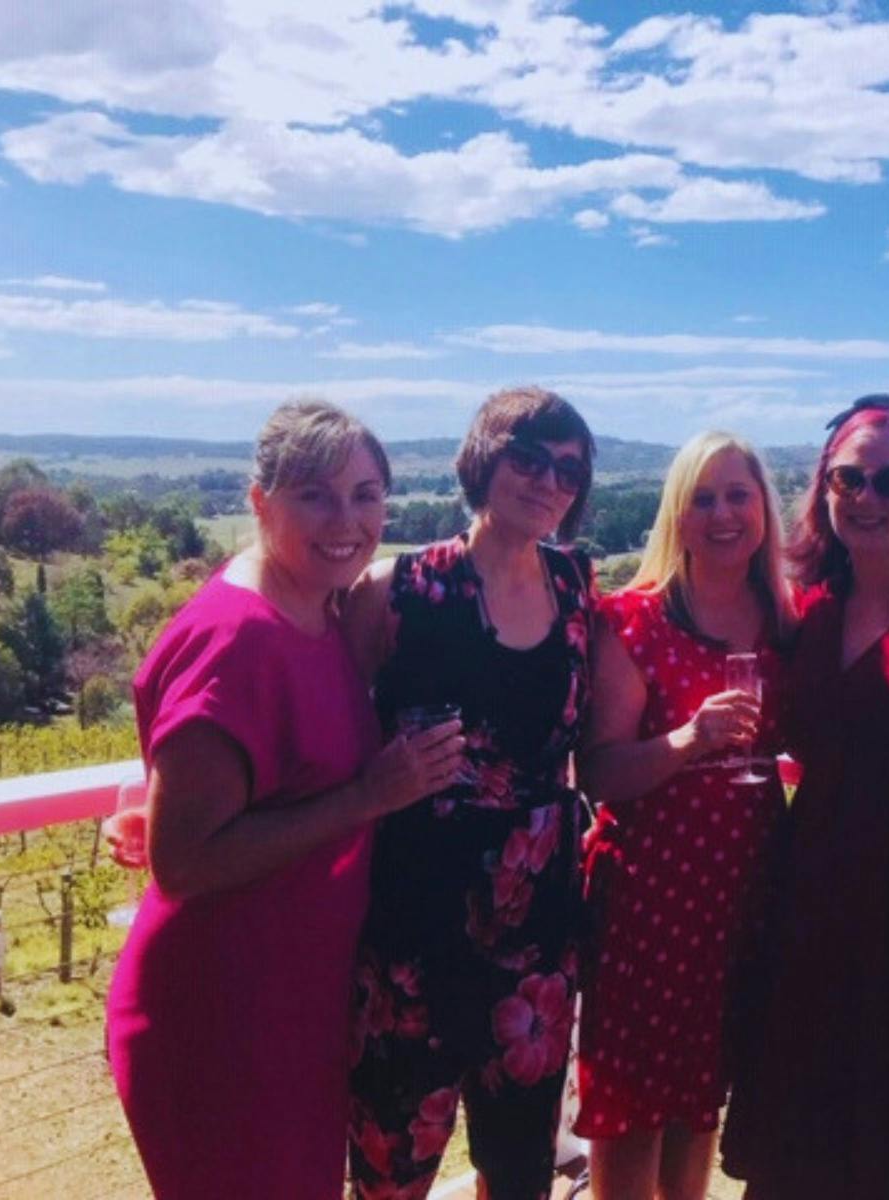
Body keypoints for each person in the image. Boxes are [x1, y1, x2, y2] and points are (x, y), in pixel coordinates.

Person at [106, 401, 465, 1200]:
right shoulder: (239, 638)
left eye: (367, 494)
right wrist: (369, 796)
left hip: (290, 1008)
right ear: (259, 500)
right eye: (316, 494)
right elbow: (185, 865)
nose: (348, 520)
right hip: (219, 1018)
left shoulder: (321, 606)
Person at [721, 394, 889, 1200]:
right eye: (849, 478)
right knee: (798, 1121)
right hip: (806, 887)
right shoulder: (801, 604)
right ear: (825, 486)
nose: (868, 497)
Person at [344, 386, 597, 1200]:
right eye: (528, 457)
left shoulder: (577, 588)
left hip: (538, 936)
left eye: (568, 469)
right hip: (412, 928)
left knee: (519, 1171)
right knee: (392, 1168)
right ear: (483, 461)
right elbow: (329, 734)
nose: (548, 481)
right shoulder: (399, 590)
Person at [576, 432, 794, 1200]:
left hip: (742, 893)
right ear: (677, 513)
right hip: (652, 898)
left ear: (765, 508)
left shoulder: (785, 620)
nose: (723, 513)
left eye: (739, 494)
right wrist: (688, 739)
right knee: (633, 1111)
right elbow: (598, 771)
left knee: (701, 1099)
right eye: (703, 498)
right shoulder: (635, 619)